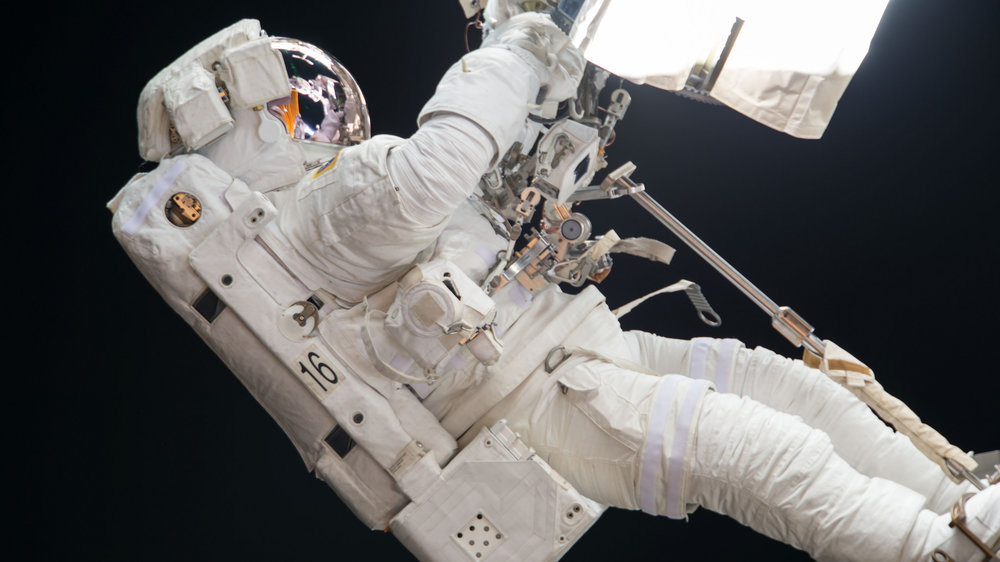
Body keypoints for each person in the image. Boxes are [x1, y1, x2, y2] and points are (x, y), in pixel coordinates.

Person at [110, 10, 998, 562]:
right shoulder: (316, 215)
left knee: (785, 390)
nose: (320, 110)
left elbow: (491, 197)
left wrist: (554, 127)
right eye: (297, 105)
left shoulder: (324, 211)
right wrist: (525, 38)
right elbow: (438, 167)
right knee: (748, 451)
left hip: (566, 354)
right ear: (253, 127)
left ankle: (952, 503)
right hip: (535, 404)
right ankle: (931, 551)